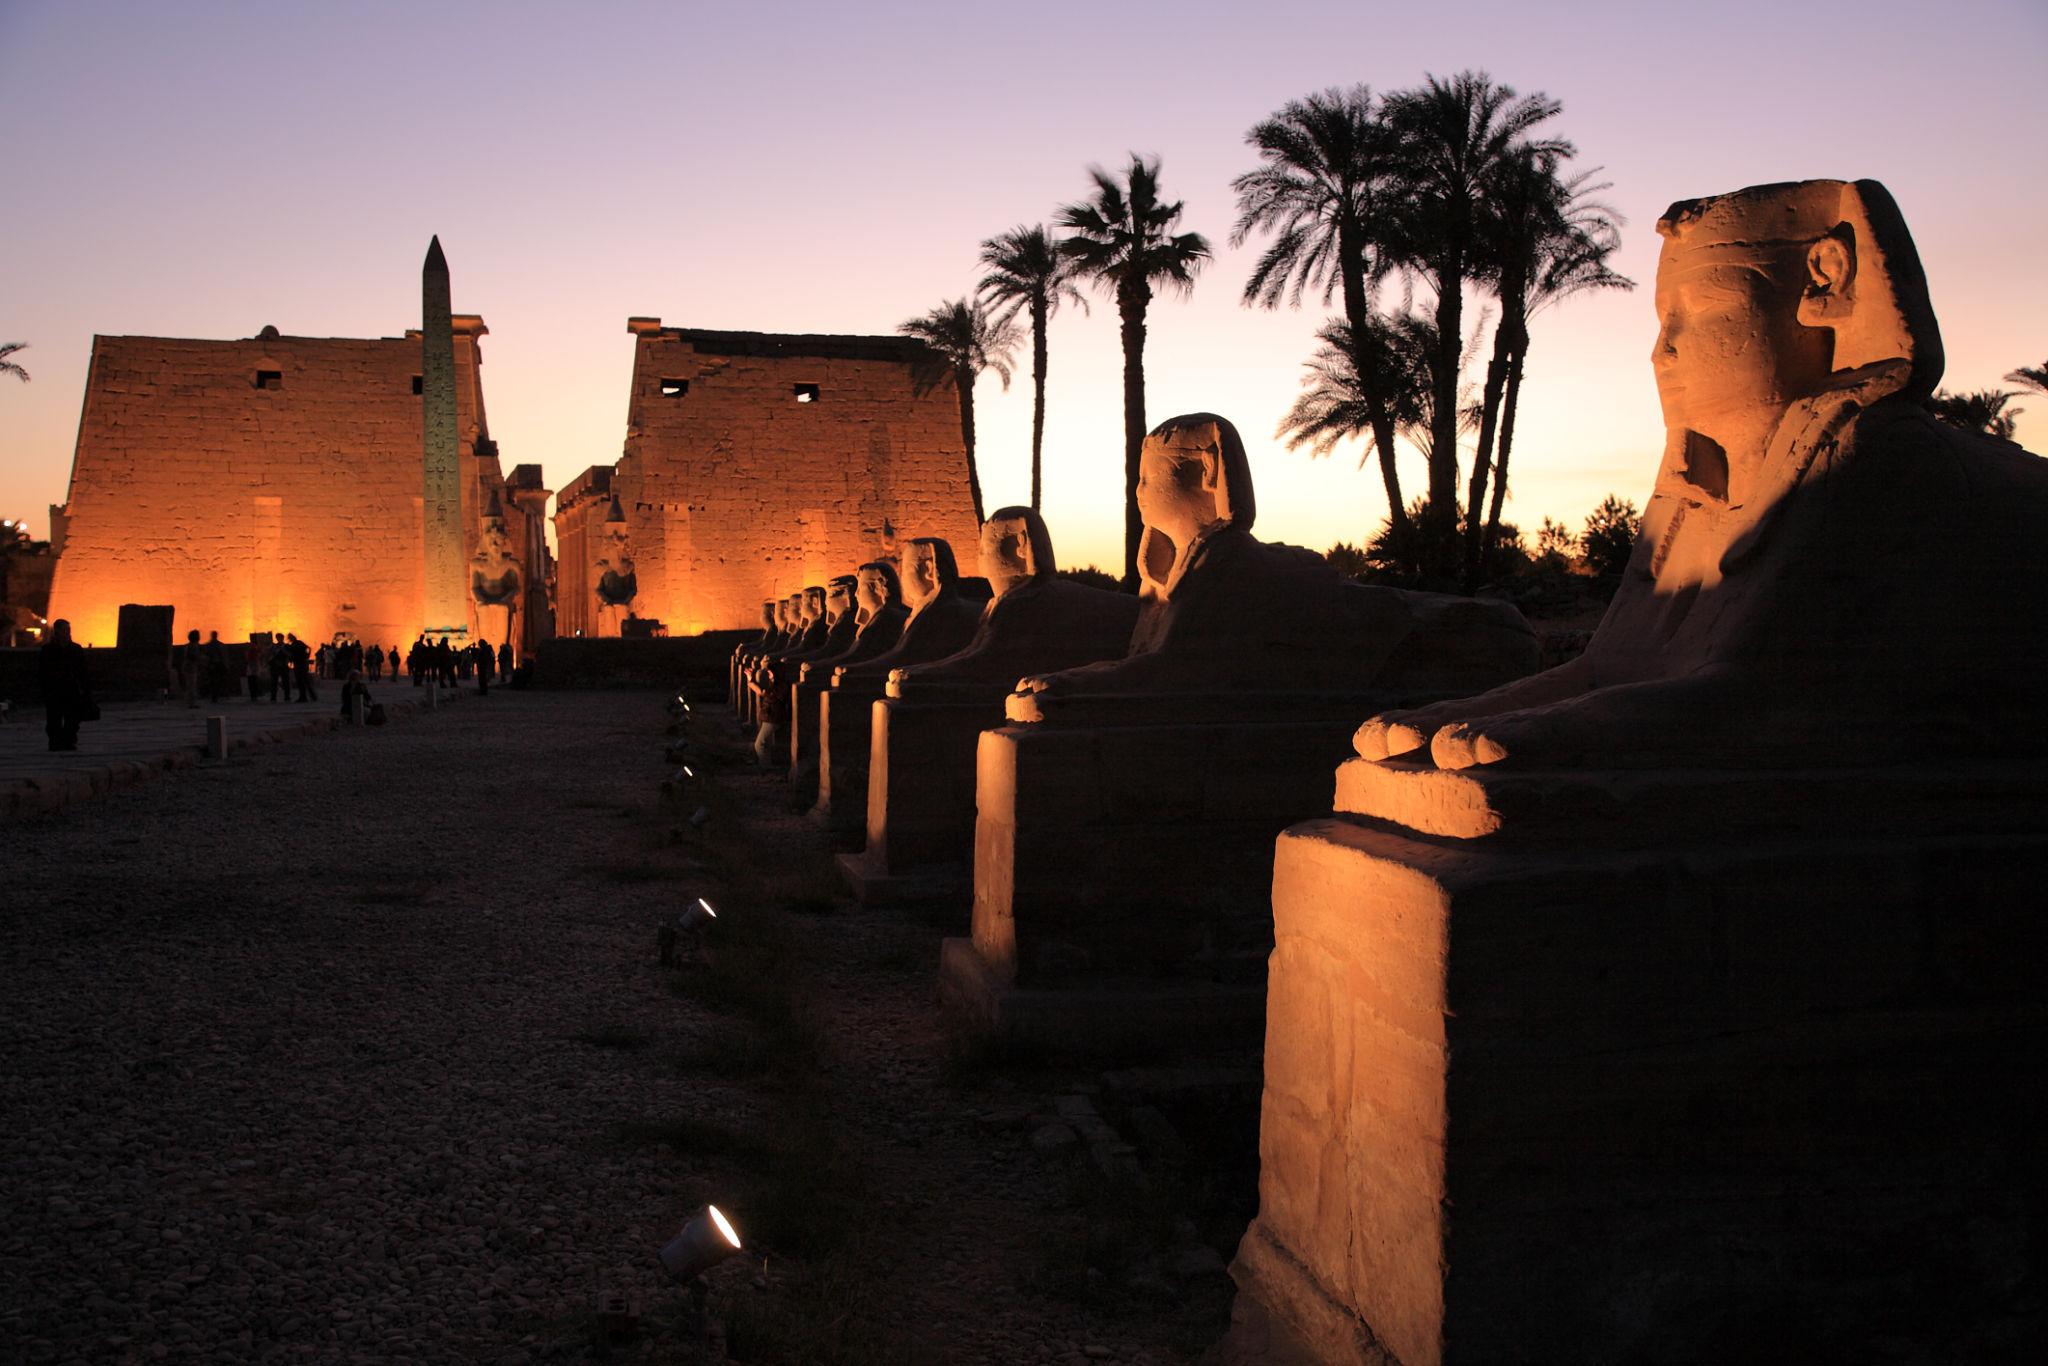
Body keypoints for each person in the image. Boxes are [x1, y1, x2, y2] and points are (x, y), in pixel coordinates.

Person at [39, 619, 92, 752]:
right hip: (54, 690)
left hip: (71, 689)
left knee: (72, 718)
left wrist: (85, 689)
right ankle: (55, 742)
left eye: (68, 630)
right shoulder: (48, 650)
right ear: (57, 631)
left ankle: (68, 741)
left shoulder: (75, 649)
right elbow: (42, 671)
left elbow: (82, 670)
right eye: (65, 630)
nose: (67, 632)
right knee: (54, 719)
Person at [202, 630, 230, 704]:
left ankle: (214, 696)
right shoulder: (220, 645)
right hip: (217, 664)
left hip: (212, 665)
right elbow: (223, 656)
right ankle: (217, 695)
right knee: (217, 681)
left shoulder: (208, 645)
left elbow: (206, 655)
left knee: (213, 681)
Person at [177, 629, 202, 708]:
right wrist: (200, 658)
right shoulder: (193, 646)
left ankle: (190, 702)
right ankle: (191, 703)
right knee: (192, 686)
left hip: (188, 667)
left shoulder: (189, 645)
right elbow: (193, 656)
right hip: (191, 668)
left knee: (190, 685)